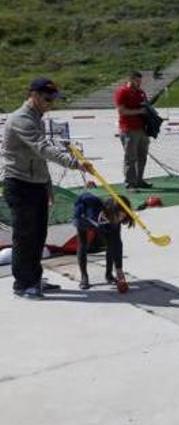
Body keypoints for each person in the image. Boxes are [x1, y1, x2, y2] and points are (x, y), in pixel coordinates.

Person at [1, 78, 92, 298]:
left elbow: (39, 160)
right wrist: (73, 163)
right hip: (20, 184)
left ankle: (34, 278)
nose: (50, 103)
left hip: (36, 184)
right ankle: (23, 285)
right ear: (33, 95)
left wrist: (47, 186)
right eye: (47, 98)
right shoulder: (21, 119)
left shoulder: (36, 118)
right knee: (25, 236)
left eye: (53, 99)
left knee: (38, 235)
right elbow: (43, 148)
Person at [73, 193, 134, 290]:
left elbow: (117, 245)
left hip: (104, 222)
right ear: (111, 211)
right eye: (120, 216)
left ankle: (109, 274)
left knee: (112, 244)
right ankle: (84, 277)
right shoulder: (91, 210)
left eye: (123, 216)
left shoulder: (115, 219)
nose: (121, 219)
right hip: (84, 218)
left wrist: (119, 270)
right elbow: (83, 205)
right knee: (83, 244)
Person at [113, 71, 152, 189]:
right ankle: (130, 182)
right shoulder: (122, 92)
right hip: (128, 129)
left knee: (142, 156)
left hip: (142, 129)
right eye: (137, 81)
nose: (139, 83)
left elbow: (145, 106)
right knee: (130, 157)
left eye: (140, 81)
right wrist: (139, 111)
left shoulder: (141, 92)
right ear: (130, 80)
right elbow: (122, 111)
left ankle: (139, 179)